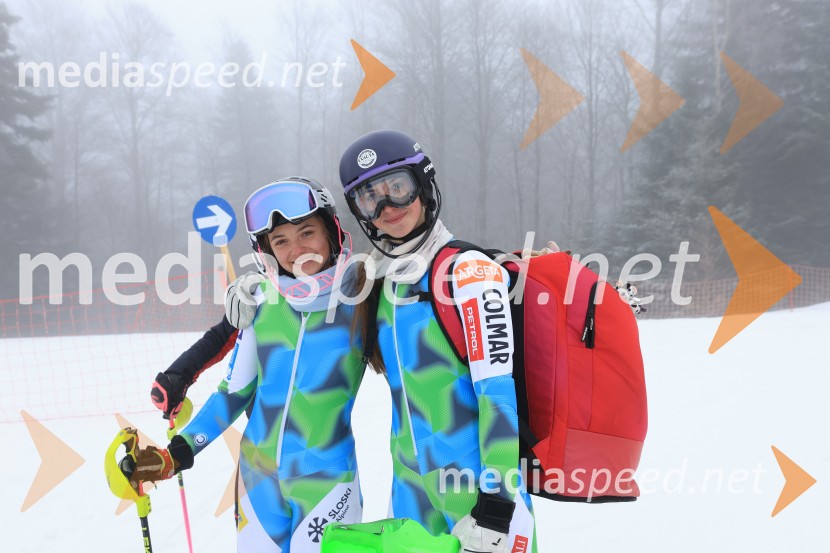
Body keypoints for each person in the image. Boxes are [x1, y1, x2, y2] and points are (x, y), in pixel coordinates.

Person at [125, 177, 366, 553]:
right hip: (258, 482)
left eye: (307, 233)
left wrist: (490, 264)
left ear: (332, 232)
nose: (296, 250)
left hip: (327, 482)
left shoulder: (364, 300)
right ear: (266, 250)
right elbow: (234, 393)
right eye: (280, 241)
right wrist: (176, 453)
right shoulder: (262, 305)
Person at [337, 130, 537, 553]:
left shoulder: (467, 271)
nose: (387, 206)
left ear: (423, 184)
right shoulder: (380, 281)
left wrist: (496, 506)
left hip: (480, 498)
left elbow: (498, 395)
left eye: (398, 187)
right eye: (370, 197)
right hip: (412, 493)